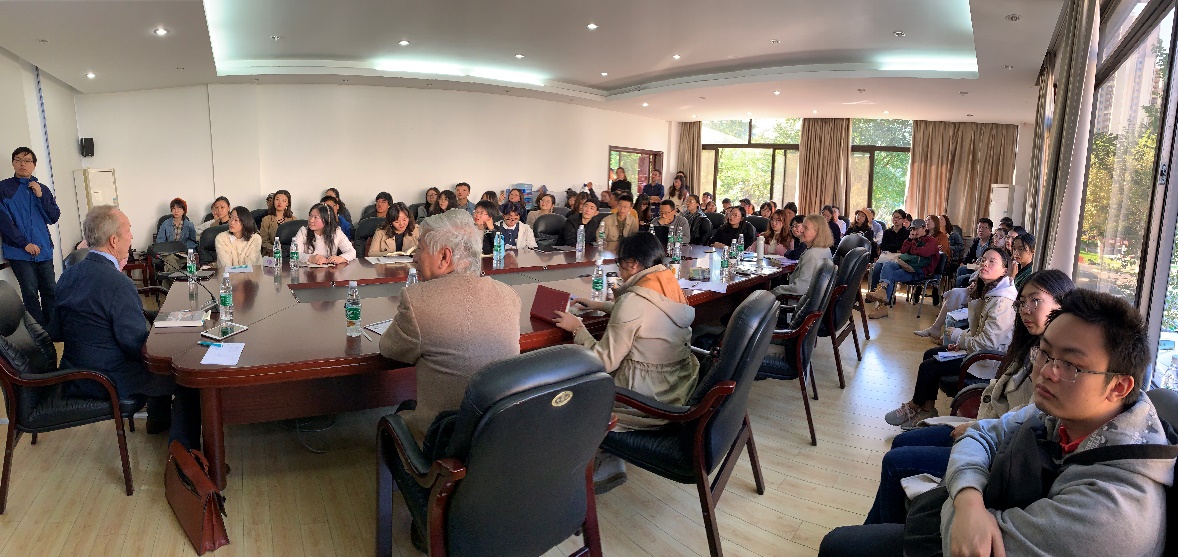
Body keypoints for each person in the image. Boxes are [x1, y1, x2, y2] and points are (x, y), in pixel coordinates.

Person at [821, 289, 1171, 557]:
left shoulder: (1111, 513)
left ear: (1118, 387)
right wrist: (968, 500)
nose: (1046, 372)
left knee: (839, 546)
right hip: (962, 514)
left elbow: (969, 545)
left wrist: (962, 500)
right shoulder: (1063, 414)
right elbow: (982, 434)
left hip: (949, 537)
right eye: (1045, 353)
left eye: (1070, 365)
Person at [865, 270, 1074, 525]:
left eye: (1036, 300)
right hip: (985, 425)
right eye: (1022, 302)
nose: (1025, 309)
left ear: (1061, 303)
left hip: (997, 446)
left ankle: (882, 533)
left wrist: (978, 428)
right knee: (900, 442)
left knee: (895, 461)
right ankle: (882, 529)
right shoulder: (1028, 344)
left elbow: (1029, 419)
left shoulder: (1053, 364)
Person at [552, 232, 699, 493]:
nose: (618, 270)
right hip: (676, 387)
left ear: (632, 264)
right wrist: (600, 305)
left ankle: (603, 457)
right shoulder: (668, 283)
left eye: (619, 263)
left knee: (572, 386)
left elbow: (603, 360)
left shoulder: (633, 301)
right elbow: (648, 311)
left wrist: (577, 329)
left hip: (644, 399)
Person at [50, 205, 200, 447]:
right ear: (113, 240)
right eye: (128, 231)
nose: (131, 237)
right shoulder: (119, 283)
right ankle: (184, 455)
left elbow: (56, 331)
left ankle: (158, 422)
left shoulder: (68, 274)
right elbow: (137, 346)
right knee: (187, 380)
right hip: (105, 379)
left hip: (73, 373)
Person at [379, 208, 521, 441]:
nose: (415, 258)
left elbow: (389, 349)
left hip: (444, 443)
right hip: (499, 437)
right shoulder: (509, 295)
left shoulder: (417, 301)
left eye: (420, 249)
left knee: (398, 416)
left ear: (445, 257)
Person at [882, 247, 1017, 427]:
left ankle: (914, 407)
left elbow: (986, 344)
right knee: (930, 354)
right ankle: (927, 409)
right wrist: (962, 342)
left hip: (987, 362)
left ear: (1004, 270)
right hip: (977, 352)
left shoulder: (1002, 302)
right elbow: (979, 333)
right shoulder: (990, 290)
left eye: (992, 261)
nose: (985, 264)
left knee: (928, 367)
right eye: (984, 259)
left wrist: (959, 336)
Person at [0, 147, 60, 327]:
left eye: (27, 161)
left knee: (50, 290)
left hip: (44, 250)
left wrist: (40, 196)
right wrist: (24, 244)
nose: (22, 164)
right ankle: (38, 332)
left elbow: (53, 217)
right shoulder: (3, 188)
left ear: (34, 165)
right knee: (30, 293)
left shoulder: (42, 189)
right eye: (18, 160)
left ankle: (53, 330)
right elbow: (4, 222)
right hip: (19, 252)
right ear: (13, 163)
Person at [865, 218, 939, 318]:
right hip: (907, 266)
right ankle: (883, 290)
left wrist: (912, 250)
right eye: (913, 229)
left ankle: (883, 306)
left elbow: (924, 252)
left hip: (919, 271)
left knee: (890, 275)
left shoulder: (932, 241)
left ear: (924, 228)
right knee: (888, 264)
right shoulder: (913, 239)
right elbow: (903, 250)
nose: (915, 231)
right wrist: (909, 239)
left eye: (917, 229)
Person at [772, 215, 835, 298]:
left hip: (797, 302)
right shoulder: (825, 249)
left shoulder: (812, 255)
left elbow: (800, 288)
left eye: (805, 228)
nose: (801, 230)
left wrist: (775, 291)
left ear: (818, 232)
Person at [291, 203, 356, 264]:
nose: (311, 220)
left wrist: (341, 258)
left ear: (326, 220)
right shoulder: (303, 231)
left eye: (316, 217)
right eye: (310, 215)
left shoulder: (336, 232)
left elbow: (352, 252)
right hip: (308, 271)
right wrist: (310, 258)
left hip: (330, 270)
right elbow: (294, 255)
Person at [956, 217, 994, 286]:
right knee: (961, 269)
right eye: (979, 227)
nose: (981, 230)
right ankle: (962, 290)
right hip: (975, 266)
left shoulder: (993, 242)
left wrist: (979, 266)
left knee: (961, 279)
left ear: (990, 230)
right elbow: (969, 255)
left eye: (984, 228)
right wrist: (963, 262)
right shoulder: (976, 240)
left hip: (983, 268)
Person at [260, 189, 294, 254]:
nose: (279, 202)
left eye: (284, 201)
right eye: (277, 199)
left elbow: (296, 241)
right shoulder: (266, 220)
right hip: (272, 253)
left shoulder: (293, 220)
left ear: (287, 204)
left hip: (289, 253)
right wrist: (277, 249)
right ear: (274, 201)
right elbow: (264, 242)